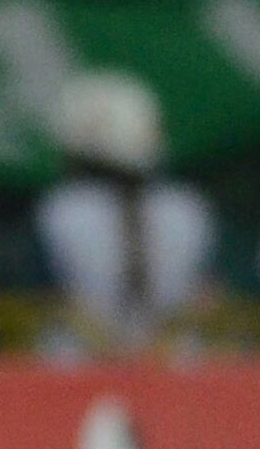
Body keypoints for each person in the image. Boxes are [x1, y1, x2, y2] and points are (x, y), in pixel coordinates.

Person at [35, 69, 215, 359]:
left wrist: (118, 353)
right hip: (173, 361)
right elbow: (209, 299)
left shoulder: (61, 210)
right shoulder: (188, 208)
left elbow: (49, 301)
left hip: (80, 367)